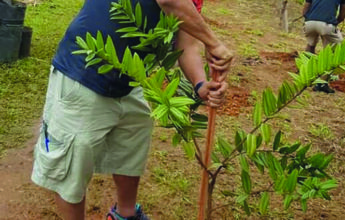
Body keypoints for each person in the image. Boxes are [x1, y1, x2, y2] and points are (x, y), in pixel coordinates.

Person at [31, 0, 233, 219]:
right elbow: (169, 1)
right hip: (83, 70)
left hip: (130, 78)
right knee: (72, 166)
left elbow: (187, 44)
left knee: (131, 144)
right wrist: (213, 42)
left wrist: (200, 84)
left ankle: (124, 215)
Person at [302, 0, 345, 93]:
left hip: (310, 22)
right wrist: (334, 23)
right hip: (326, 24)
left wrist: (309, 19)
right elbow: (342, 14)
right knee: (334, 51)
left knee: (310, 45)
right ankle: (321, 83)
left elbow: (305, 9)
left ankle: (305, 73)